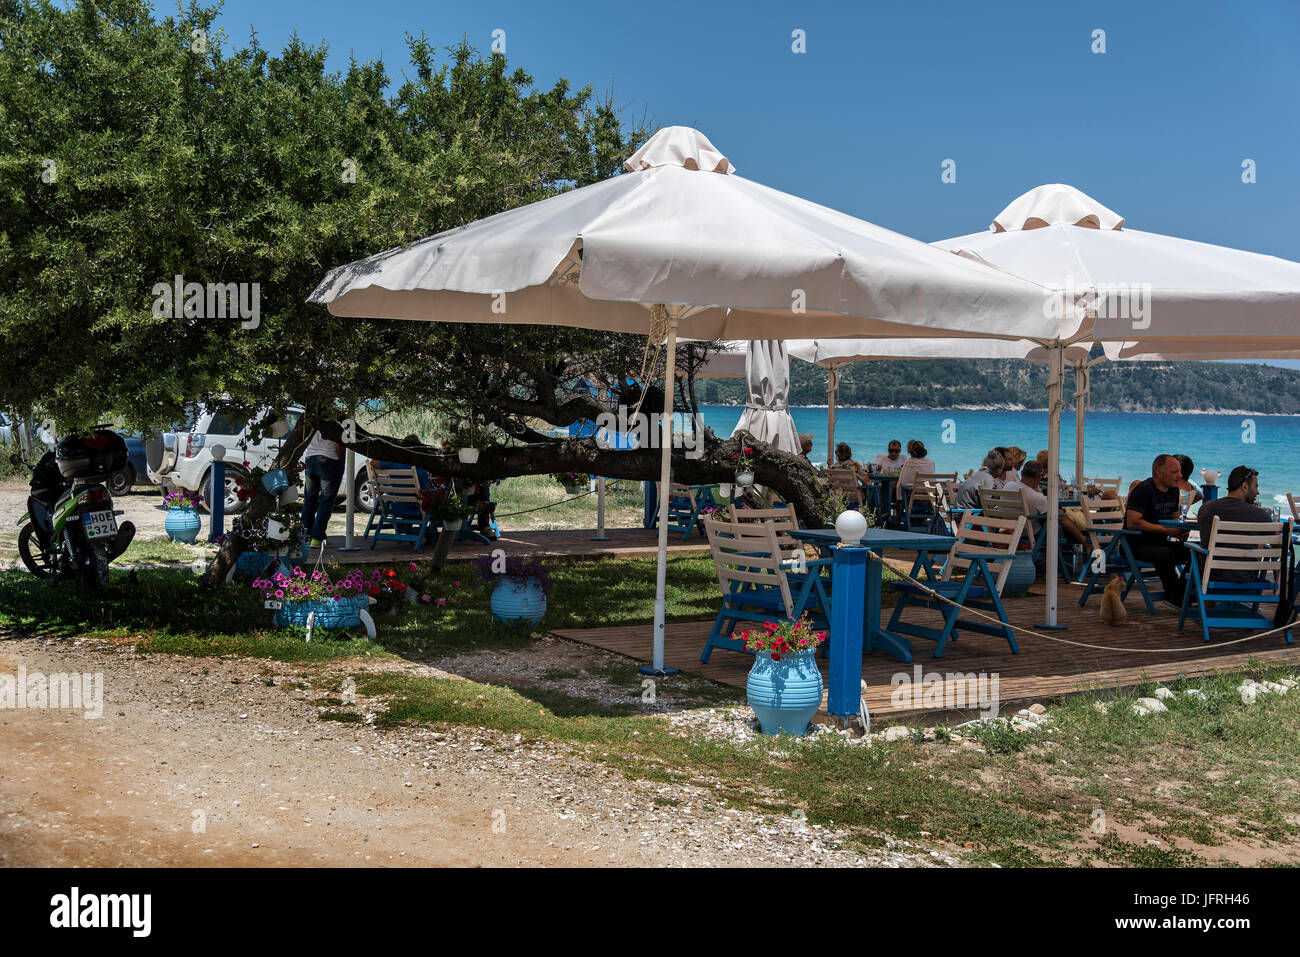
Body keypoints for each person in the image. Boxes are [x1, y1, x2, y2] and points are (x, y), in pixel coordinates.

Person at [1125, 454, 1190, 606]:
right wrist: (1167, 531)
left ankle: (1186, 593)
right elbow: (1133, 523)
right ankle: (1175, 597)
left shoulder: (1173, 490)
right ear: (1160, 474)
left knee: (1196, 553)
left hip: (1160, 542)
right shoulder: (1143, 491)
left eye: (1180, 471)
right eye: (1175, 472)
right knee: (1165, 555)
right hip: (1135, 544)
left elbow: (1174, 519)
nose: (1180, 475)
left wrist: (1181, 531)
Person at [1196, 466, 1275, 583]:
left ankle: (1206, 601)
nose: (1258, 492)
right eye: (1256, 486)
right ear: (1244, 486)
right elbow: (1279, 546)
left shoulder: (1206, 508)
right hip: (1246, 578)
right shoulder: (1260, 515)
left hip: (1210, 577)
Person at [1005, 460, 1086, 545]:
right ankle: (1083, 543)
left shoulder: (1008, 486)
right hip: (1030, 533)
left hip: (1011, 530)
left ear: (1022, 473)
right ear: (1039, 477)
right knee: (1059, 523)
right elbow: (1062, 518)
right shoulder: (1036, 497)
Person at [301, 429, 346, 547]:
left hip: (310, 456)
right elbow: (338, 442)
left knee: (309, 499)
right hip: (329, 456)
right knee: (326, 500)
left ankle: (304, 536)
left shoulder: (311, 415)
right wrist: (342, 460)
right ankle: (317, 537)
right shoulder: (334, 416)